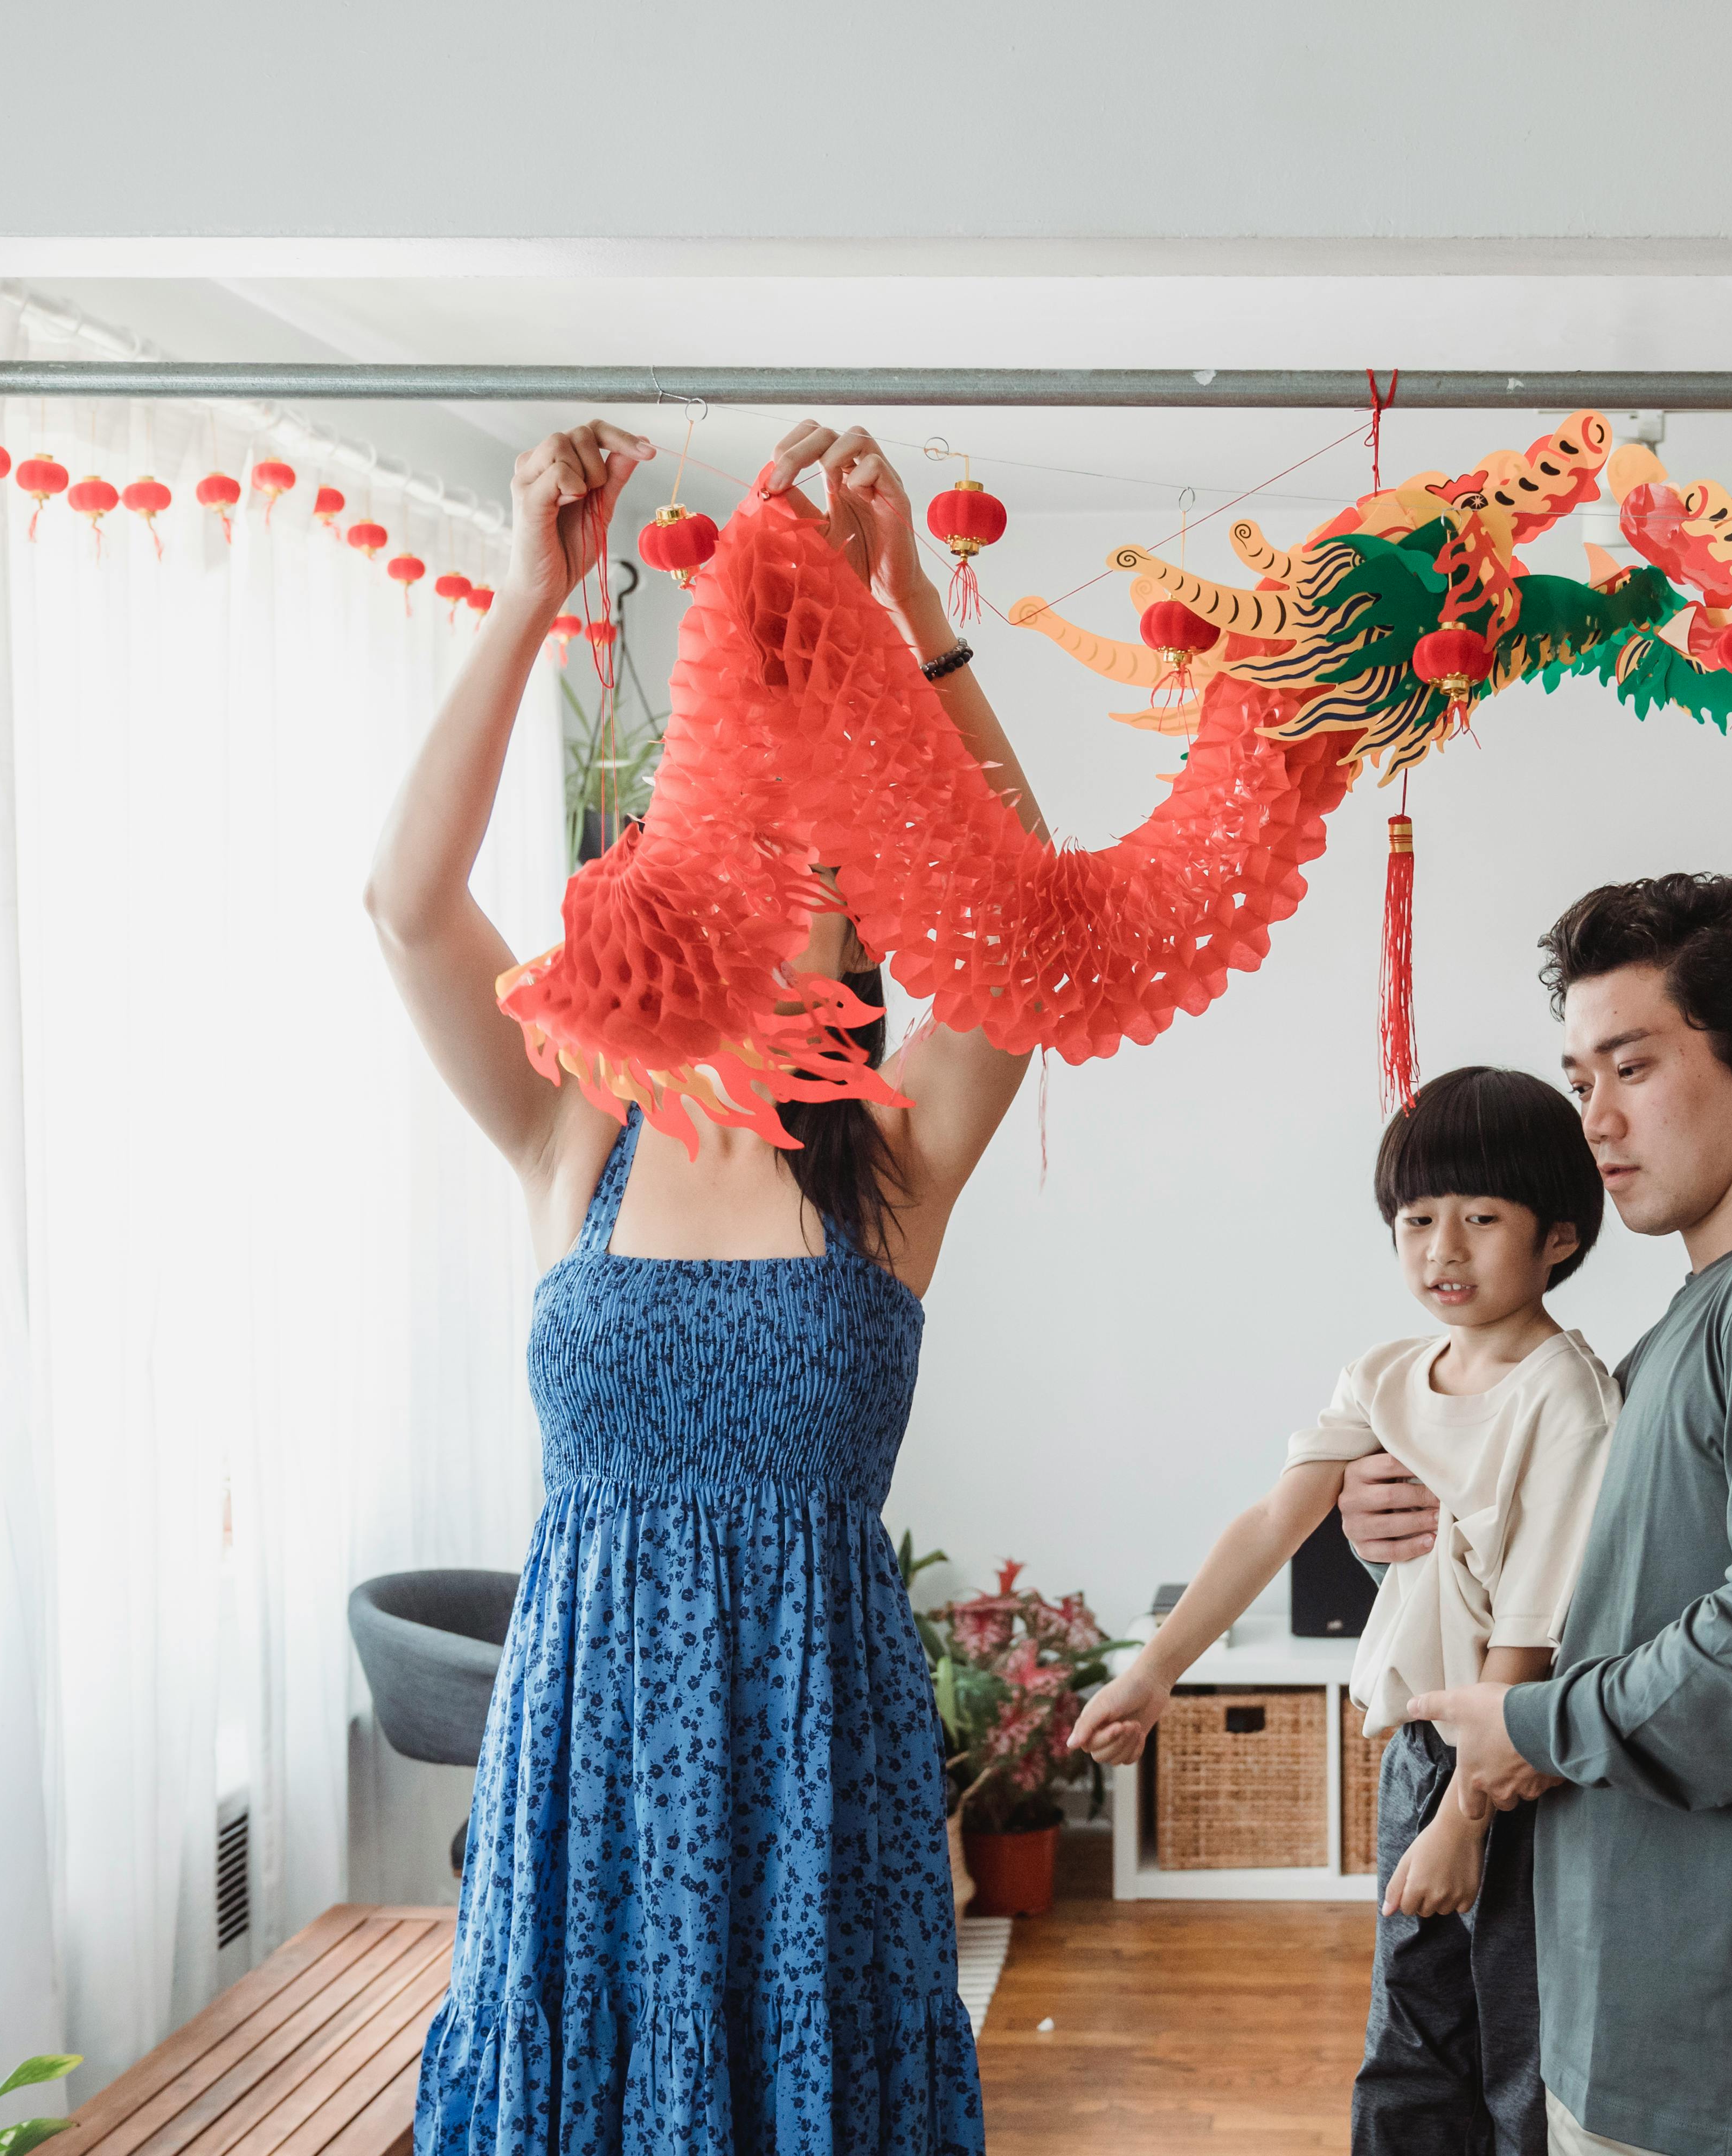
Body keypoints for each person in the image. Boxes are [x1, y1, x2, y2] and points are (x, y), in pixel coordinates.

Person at [369, 418, 1040, 2154]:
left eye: (819, 868)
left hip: (815, 1763)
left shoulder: (896, 1167)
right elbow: (406, 901)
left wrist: (913, 616)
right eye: (743, 840)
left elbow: (1029, 923)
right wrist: (532, 598)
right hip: (583, 1747)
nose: (769, 885)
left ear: (864, 931)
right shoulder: (567, 1131)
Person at [1371, 874, 1732, 2156]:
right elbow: (1611, 1572)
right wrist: (1423, 1508)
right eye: (1579, 1077)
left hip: (1722, 2037)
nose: (1594, 1118)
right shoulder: (1702, 1307)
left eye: (1631, 1067)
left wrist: (1531, 1720)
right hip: (1639, 2002)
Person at [1070, 1066, 1618, 2156]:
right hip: (1420, 1750)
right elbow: (1272, 1525)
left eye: (1480, 1218)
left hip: (1512, 1764)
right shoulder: (1381, 1376)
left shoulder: (1569, 1395)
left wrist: (1466, 1818)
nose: (1441, 1250)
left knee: (1522, 2042)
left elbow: (1532, 1632)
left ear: (1558, 1235)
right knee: (1407, 2029)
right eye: (1416, 1219)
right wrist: (1153, 1669)